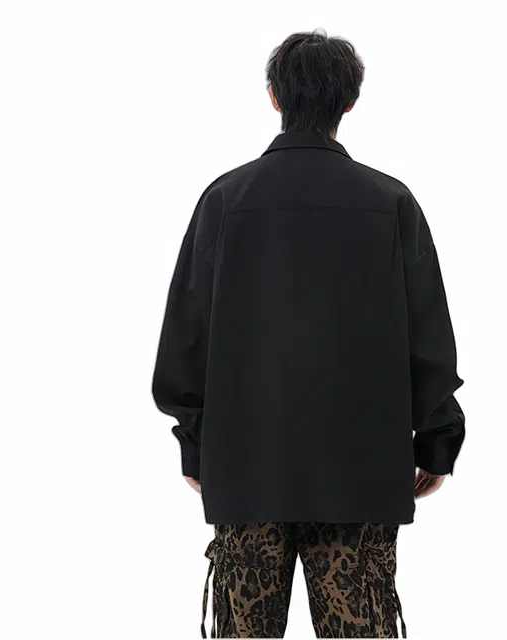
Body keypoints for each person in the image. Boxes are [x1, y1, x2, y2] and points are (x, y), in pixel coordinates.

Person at [152, 29, 465, 639]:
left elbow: (185, 337)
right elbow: (427, 338)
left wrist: (195, 445)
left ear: (274, 97)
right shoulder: (392, 202)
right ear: (350, 101)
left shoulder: (224, 201)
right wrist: (437, 442)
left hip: (248, 472)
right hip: (360, 475)